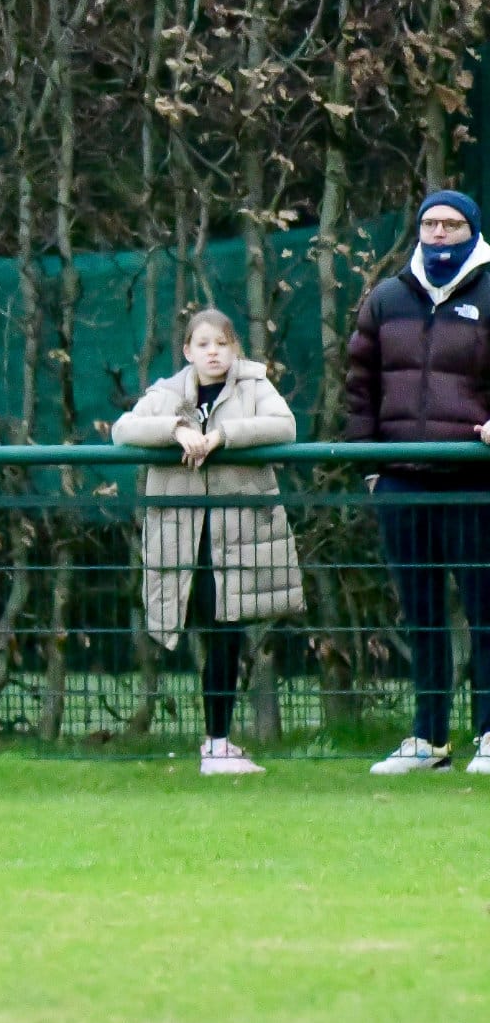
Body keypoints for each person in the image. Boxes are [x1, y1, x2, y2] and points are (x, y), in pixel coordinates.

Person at [113, 308, 305, 775]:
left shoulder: (255, 385)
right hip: (184, 539)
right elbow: (123, 430)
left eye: (221, 343)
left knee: (227, 634)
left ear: (234, 348)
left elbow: (284, 426)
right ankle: (215, 745)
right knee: (204, 631)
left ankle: (218, 743)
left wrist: (221, 437)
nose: (213, 352)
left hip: (239, 536)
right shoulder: (166, 393)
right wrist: (176, 430)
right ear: (187, 351)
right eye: (203, 344)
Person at [345, 188, 490, 775]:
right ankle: (429, 741)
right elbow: (359, 385)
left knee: (484, 610)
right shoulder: (386, 298)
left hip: (475, 481)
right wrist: (371, 467)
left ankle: (489, 735)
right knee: (421, 613)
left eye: (451, 224)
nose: (439, 234)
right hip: (401, 483)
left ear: (471, 230)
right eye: (430, 224)